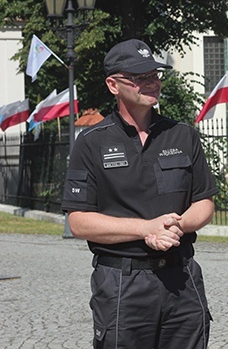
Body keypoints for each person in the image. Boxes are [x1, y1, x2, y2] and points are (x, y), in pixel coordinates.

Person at [62, 39, 217, 348]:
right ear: (113, 85)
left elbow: (204, 202)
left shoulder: (182, 134)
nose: (151, 82)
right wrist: (146, 229)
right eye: (139, 76)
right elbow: (78, 222)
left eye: (155, 75)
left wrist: (175, 228)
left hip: (182, 278)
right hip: (123, 282)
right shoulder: (92, 143)